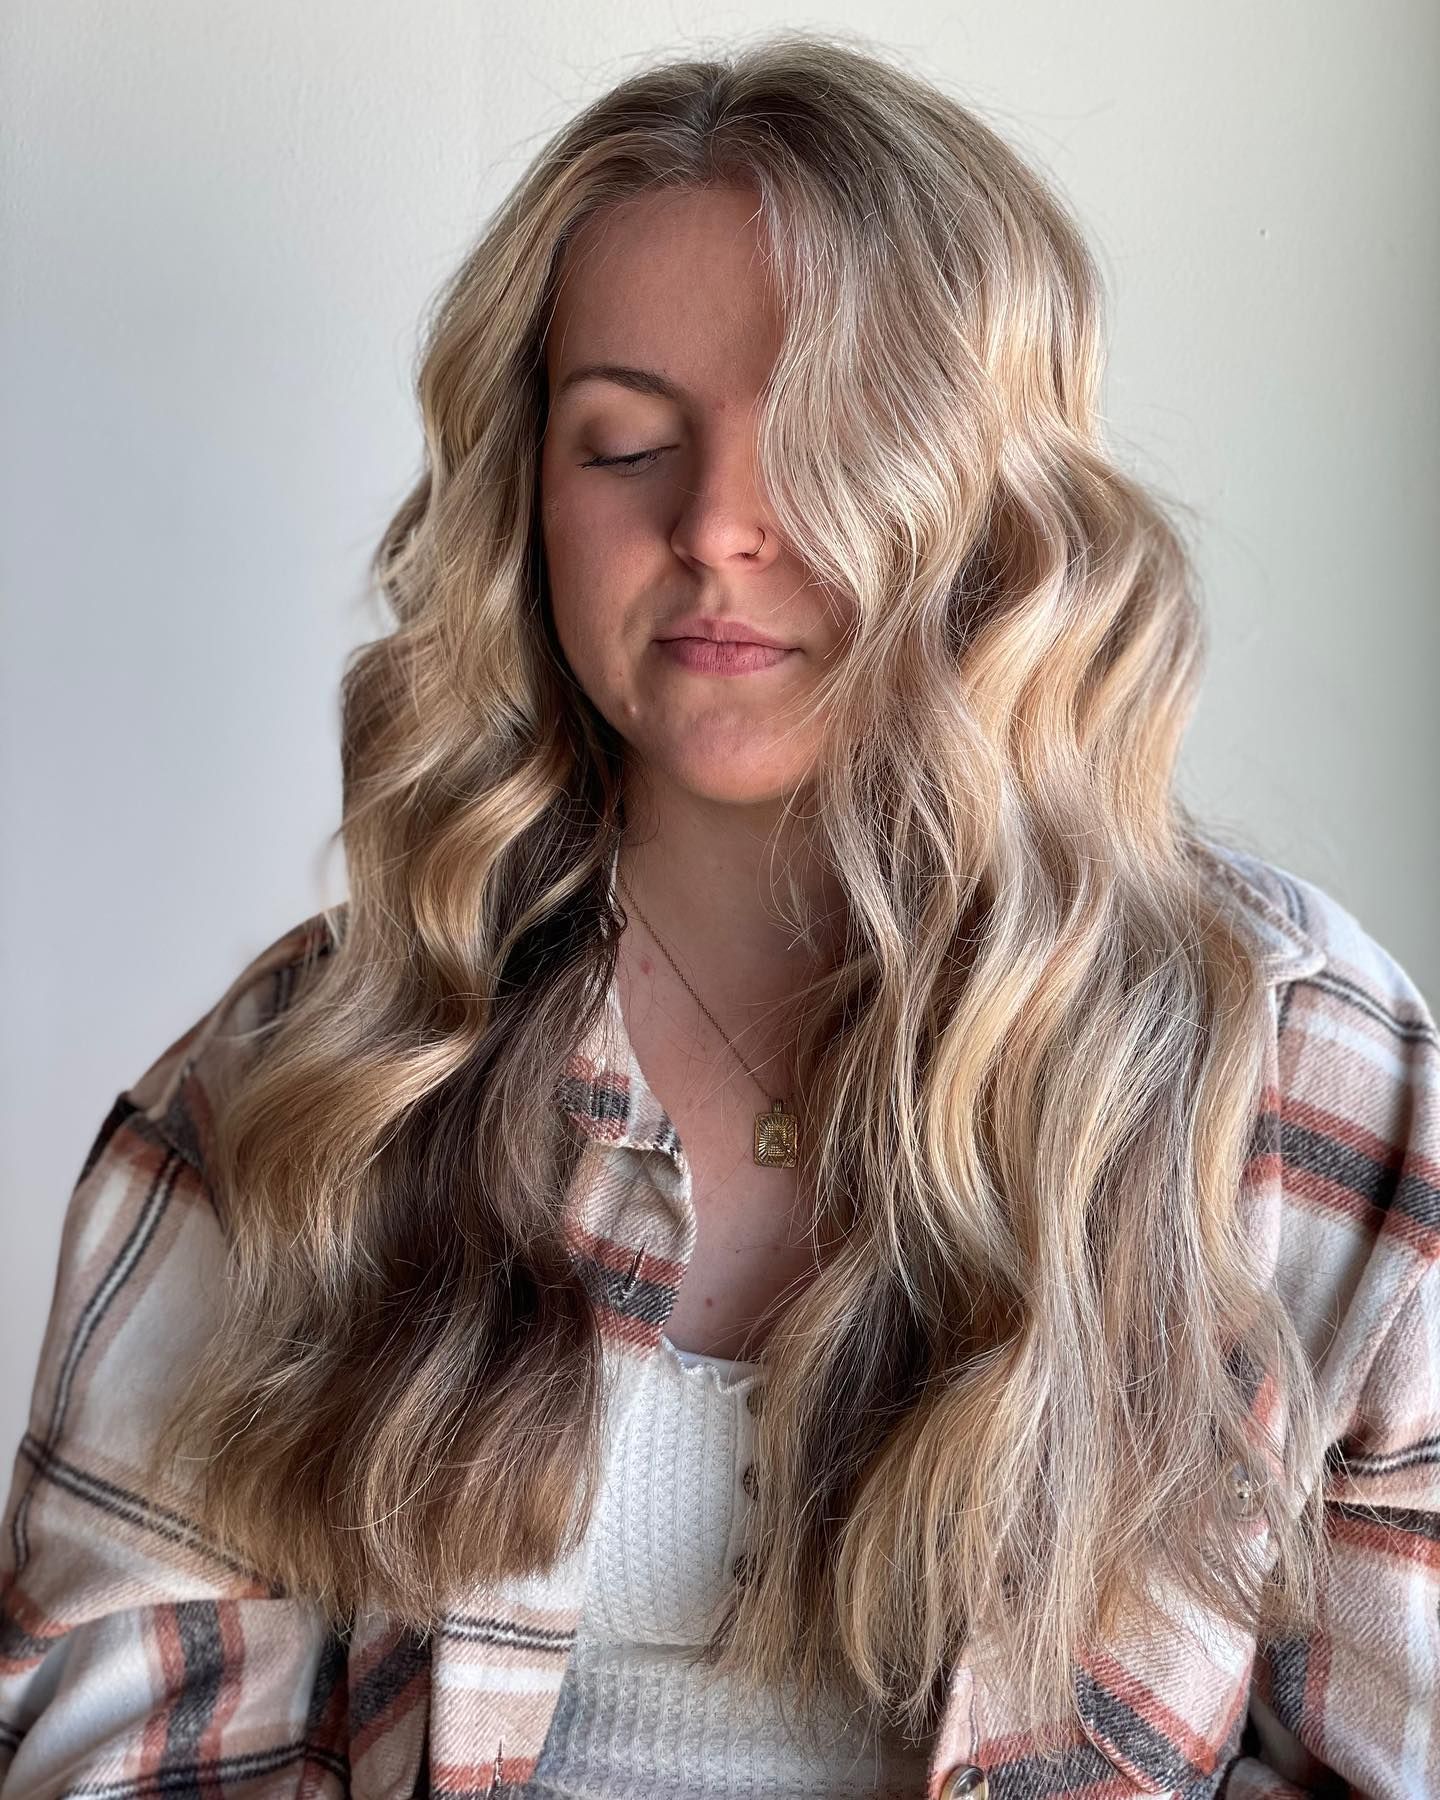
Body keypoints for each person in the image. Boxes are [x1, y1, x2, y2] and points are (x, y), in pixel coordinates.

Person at [1, 30, 1436, 1800]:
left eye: (826, 436)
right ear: (524, 501)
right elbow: (119, 1750)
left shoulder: (1299, 1071)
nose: (719, 526)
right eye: (624, 444)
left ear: (993, 489)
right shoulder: (315, 1080)